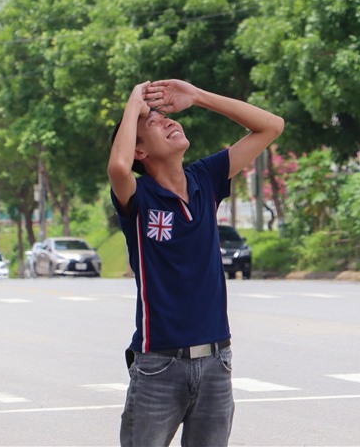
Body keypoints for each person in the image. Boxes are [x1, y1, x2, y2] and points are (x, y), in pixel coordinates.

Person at [108, 78, 284, 447]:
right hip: (159, 365)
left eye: (167, 117)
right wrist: (133, 105)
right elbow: (118, 168)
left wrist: (199, 97)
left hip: (217, 362)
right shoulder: (140, 200)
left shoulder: (206, 177)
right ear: (140, 151)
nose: (170, 121)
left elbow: (271, 126)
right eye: (153, 123)